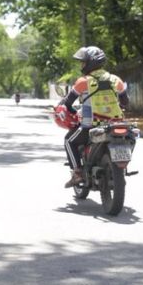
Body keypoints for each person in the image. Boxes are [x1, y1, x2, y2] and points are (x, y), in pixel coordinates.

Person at [57, 46, 129, 188]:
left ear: (90, 63)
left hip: (91, 126)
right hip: (115, 124)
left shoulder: (83, 81)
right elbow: (125, 102)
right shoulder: (116, 80)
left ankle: (77, 173)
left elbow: (68, 102)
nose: (82, 65)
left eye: (83, 62)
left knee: (68, 141)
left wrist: (71, 110)